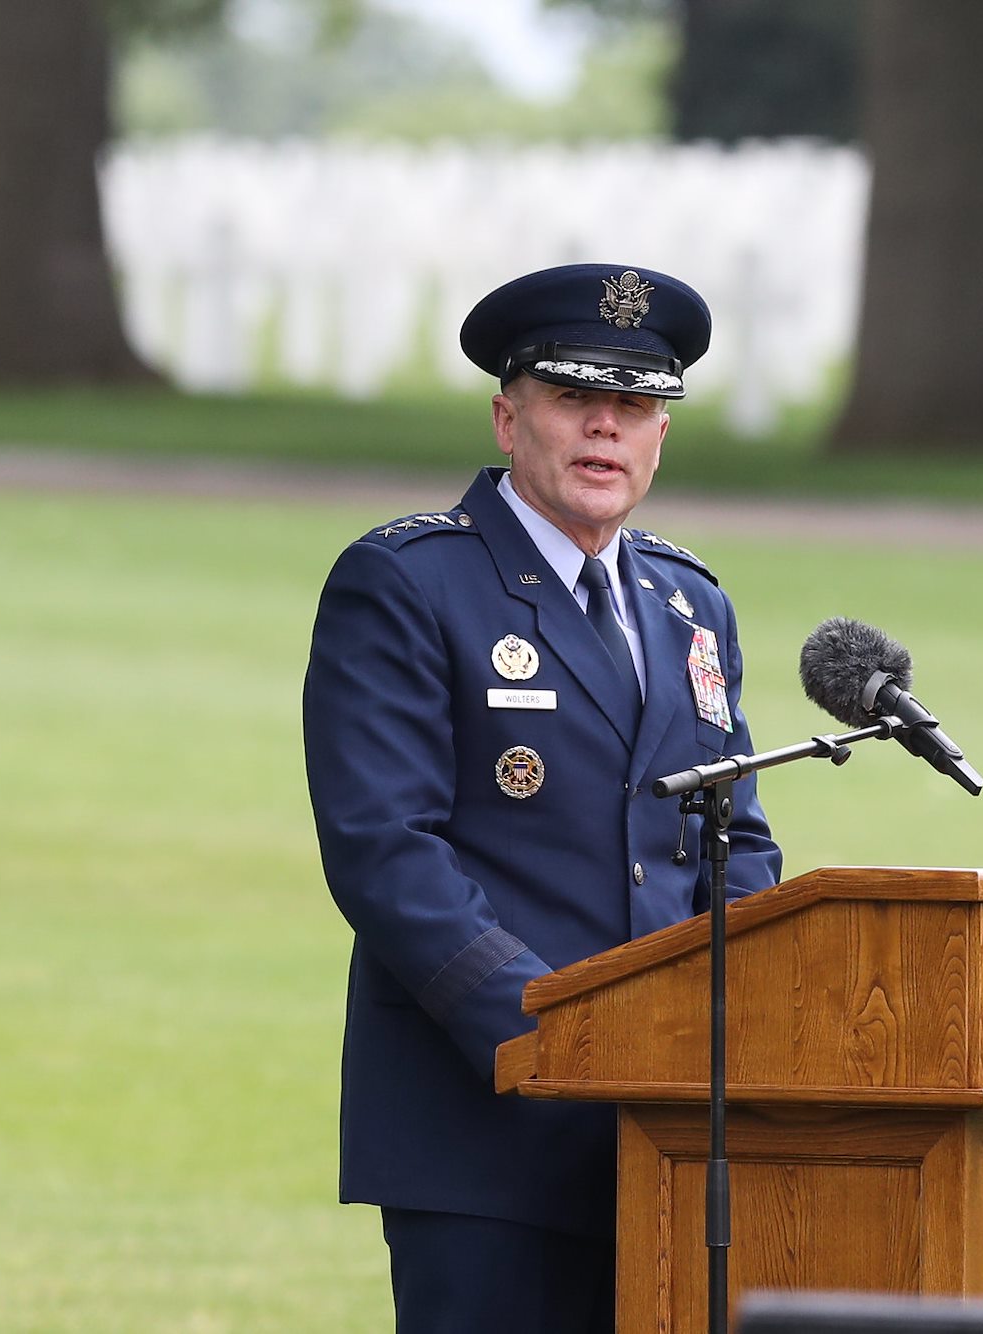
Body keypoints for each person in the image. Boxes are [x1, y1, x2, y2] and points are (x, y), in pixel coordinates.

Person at [302, 263, 784, 1334]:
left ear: (661, 435)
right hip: (486, 1123)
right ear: (508, 417)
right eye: (575, 398)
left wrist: (731, 1024)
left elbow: (734, 840)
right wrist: (556, 1032)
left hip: (672, 1125)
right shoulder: (409, 581)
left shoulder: (689, 601)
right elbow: (385, 848)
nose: (606, 428)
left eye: (635, 407)